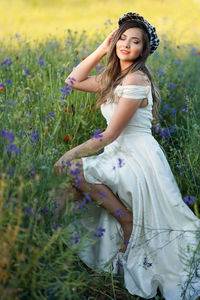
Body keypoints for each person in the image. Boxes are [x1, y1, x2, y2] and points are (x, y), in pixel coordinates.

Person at [53, 12, 200, 300]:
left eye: (135, 42)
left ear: (143, 51)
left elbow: (111, 134)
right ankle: (62, 242)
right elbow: (73, 79)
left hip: (137, 158)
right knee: (65, 184)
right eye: (122, 38)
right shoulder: (115, 77)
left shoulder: (136, 78)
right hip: (120, 153)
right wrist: (102, 48)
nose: (126, 44)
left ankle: (126, 221)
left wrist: (68, 155)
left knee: (69, 169)